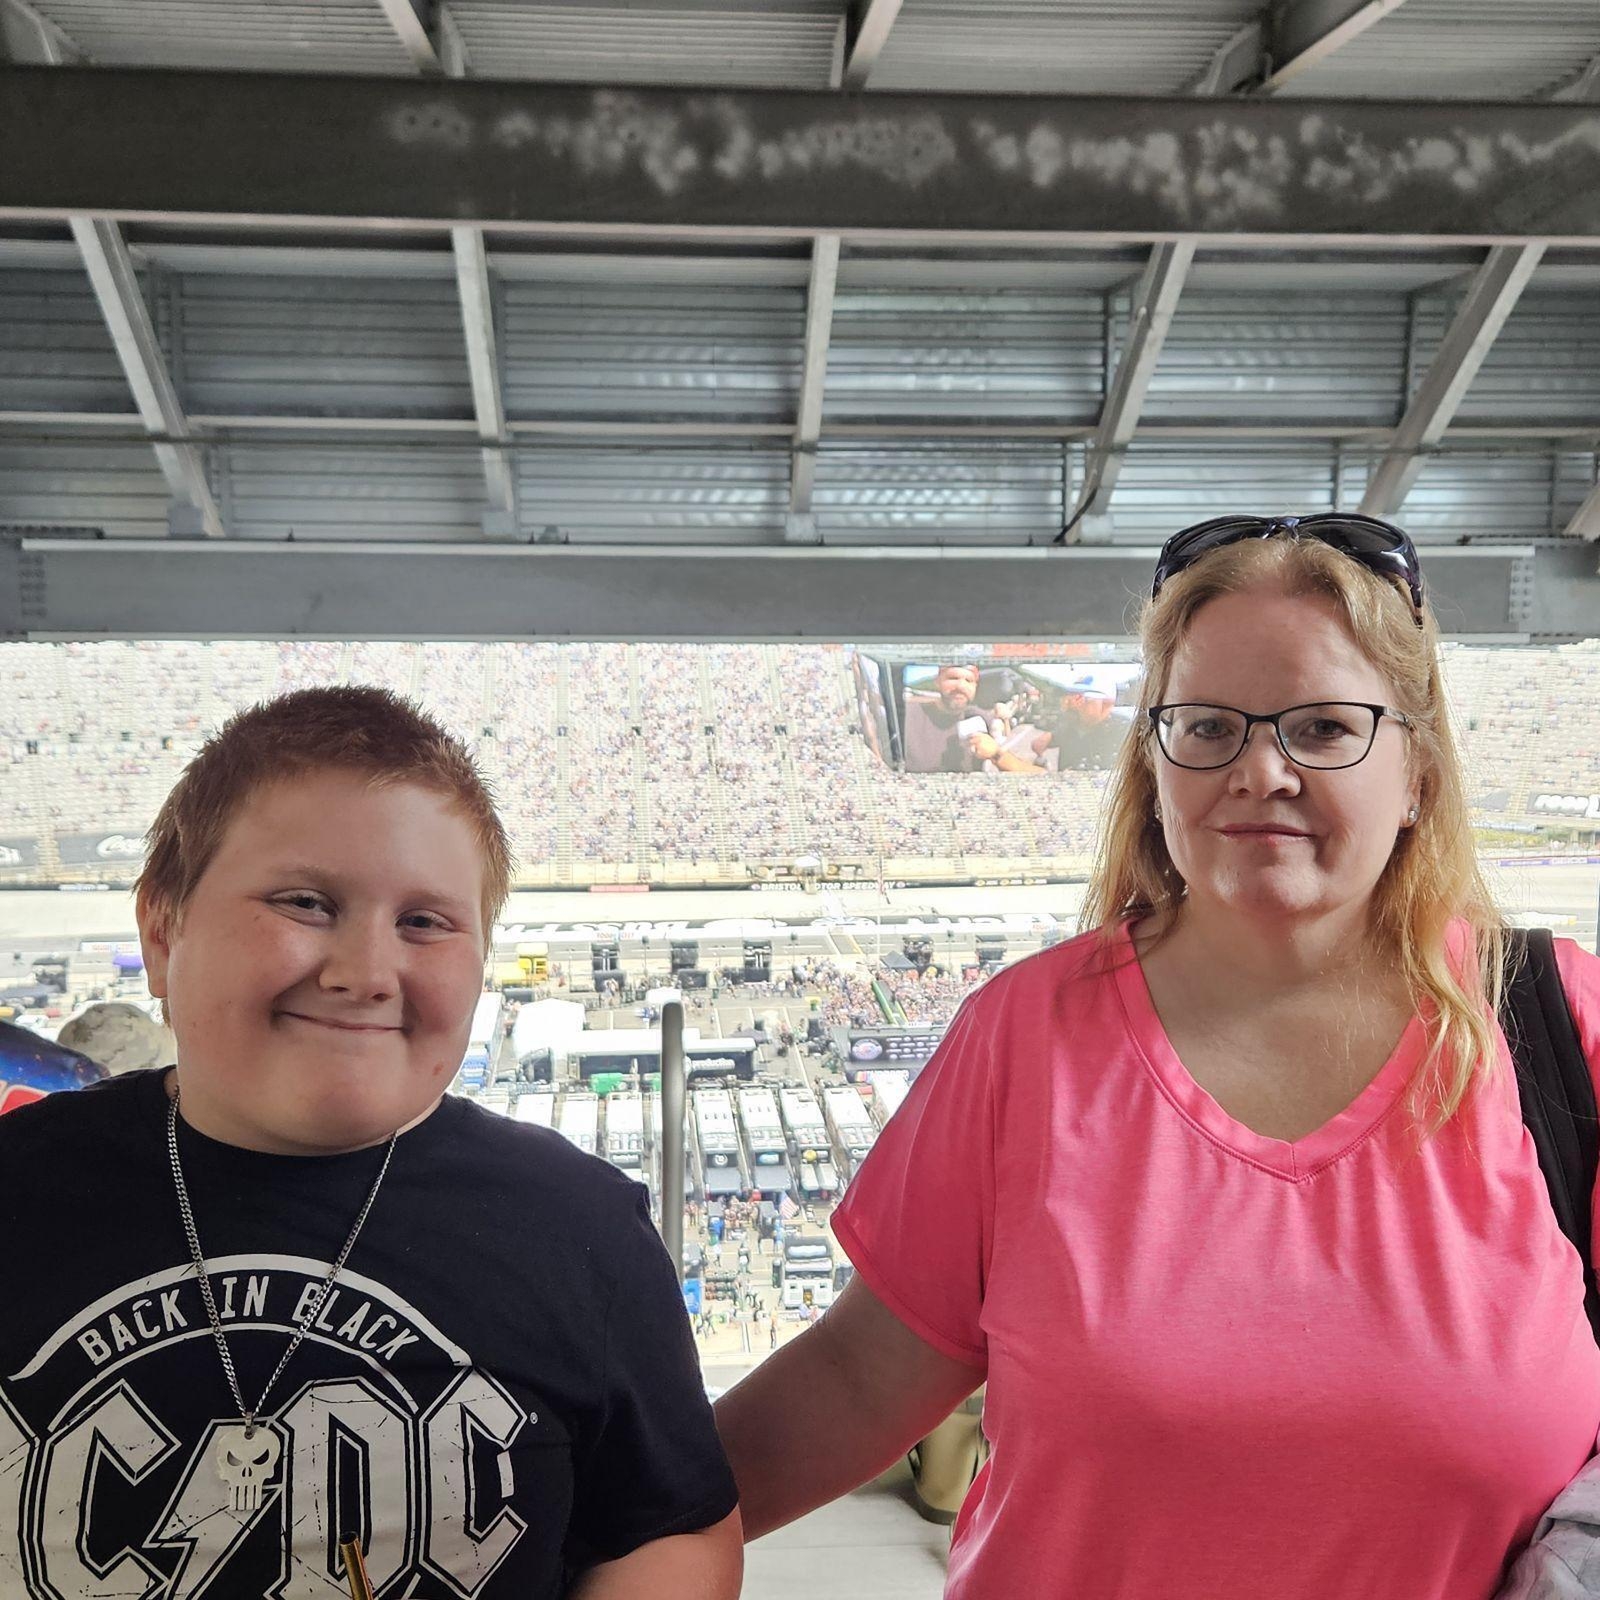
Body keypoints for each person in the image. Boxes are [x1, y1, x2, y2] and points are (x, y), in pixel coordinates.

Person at [714, 513, 1600, 1600]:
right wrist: (595, 1523)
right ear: (1154, 758)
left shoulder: (1557, 1028)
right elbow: (860, 1377)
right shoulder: (1025, 1036)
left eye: (1324, 728)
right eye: (1209, 725)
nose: (1260, 770)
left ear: (1416, 768)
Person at [0, 686, 740, 1600]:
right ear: (162, 929)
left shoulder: (579, 1223)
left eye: (424, 922)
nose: (365, 974)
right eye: (306, 902)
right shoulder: (21, 1190)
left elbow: (668, 1527)